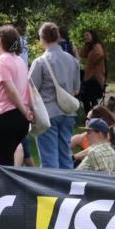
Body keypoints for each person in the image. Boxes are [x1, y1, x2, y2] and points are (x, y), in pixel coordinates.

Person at [29, 21, 80, 169]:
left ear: (42, 38)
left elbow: (31, 89)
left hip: (47, 114)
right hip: (68, 113)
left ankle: (51, 192)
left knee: (49, 160)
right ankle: (68, 190)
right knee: (65, 158)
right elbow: (76, 90)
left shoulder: (40, 62)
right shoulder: (72, 60)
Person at [0, 25, 34, 166]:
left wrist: (25, 111)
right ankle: (13, 187)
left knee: (4, 164)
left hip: (7, 117)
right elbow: (26, 89)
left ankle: (7, 189)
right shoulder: (19, 60)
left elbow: (11, 91)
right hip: (21, 120)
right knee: (10, 161)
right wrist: (27, 111)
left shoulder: (1, 61)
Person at [79, 29, 106, 114]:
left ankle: (93, 115)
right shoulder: (90, 46)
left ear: (92, 36)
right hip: (89, 76)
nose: (85, 37)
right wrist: (86, 44)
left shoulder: (97, 45)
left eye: (87, 35)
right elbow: (82, 54)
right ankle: (91, 115)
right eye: (85, 36)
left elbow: (101, 55)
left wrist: (94, 63)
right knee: (86, 97)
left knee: (89, 97)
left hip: (95, 77)